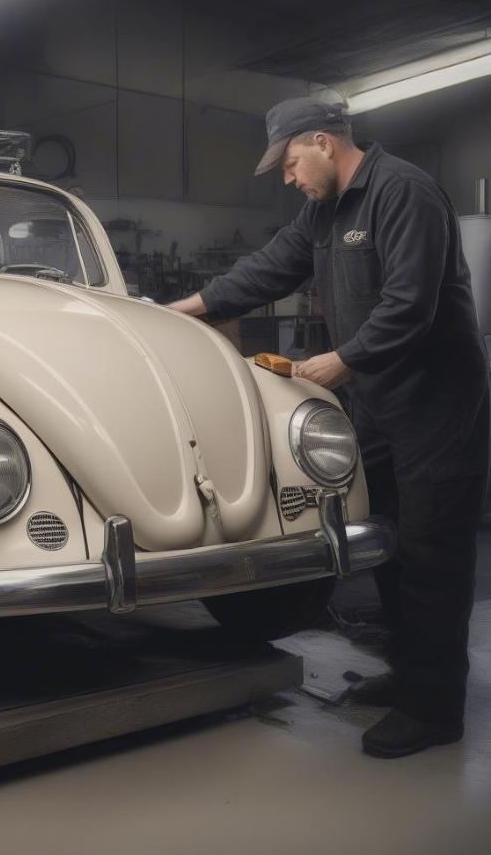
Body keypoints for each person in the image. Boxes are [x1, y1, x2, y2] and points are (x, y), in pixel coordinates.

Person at [168, 97, 489, 758]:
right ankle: (410, 674)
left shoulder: (404, 192)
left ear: (321, 141)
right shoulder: (322, 213)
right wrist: (179, 311)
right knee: (387, 545)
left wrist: (339, 362)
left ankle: (435, 709)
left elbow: (411, 306)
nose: (288, 178)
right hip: (377, 401)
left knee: (432, 553)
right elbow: (265, 269)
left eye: (289, 162)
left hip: (436, 404)